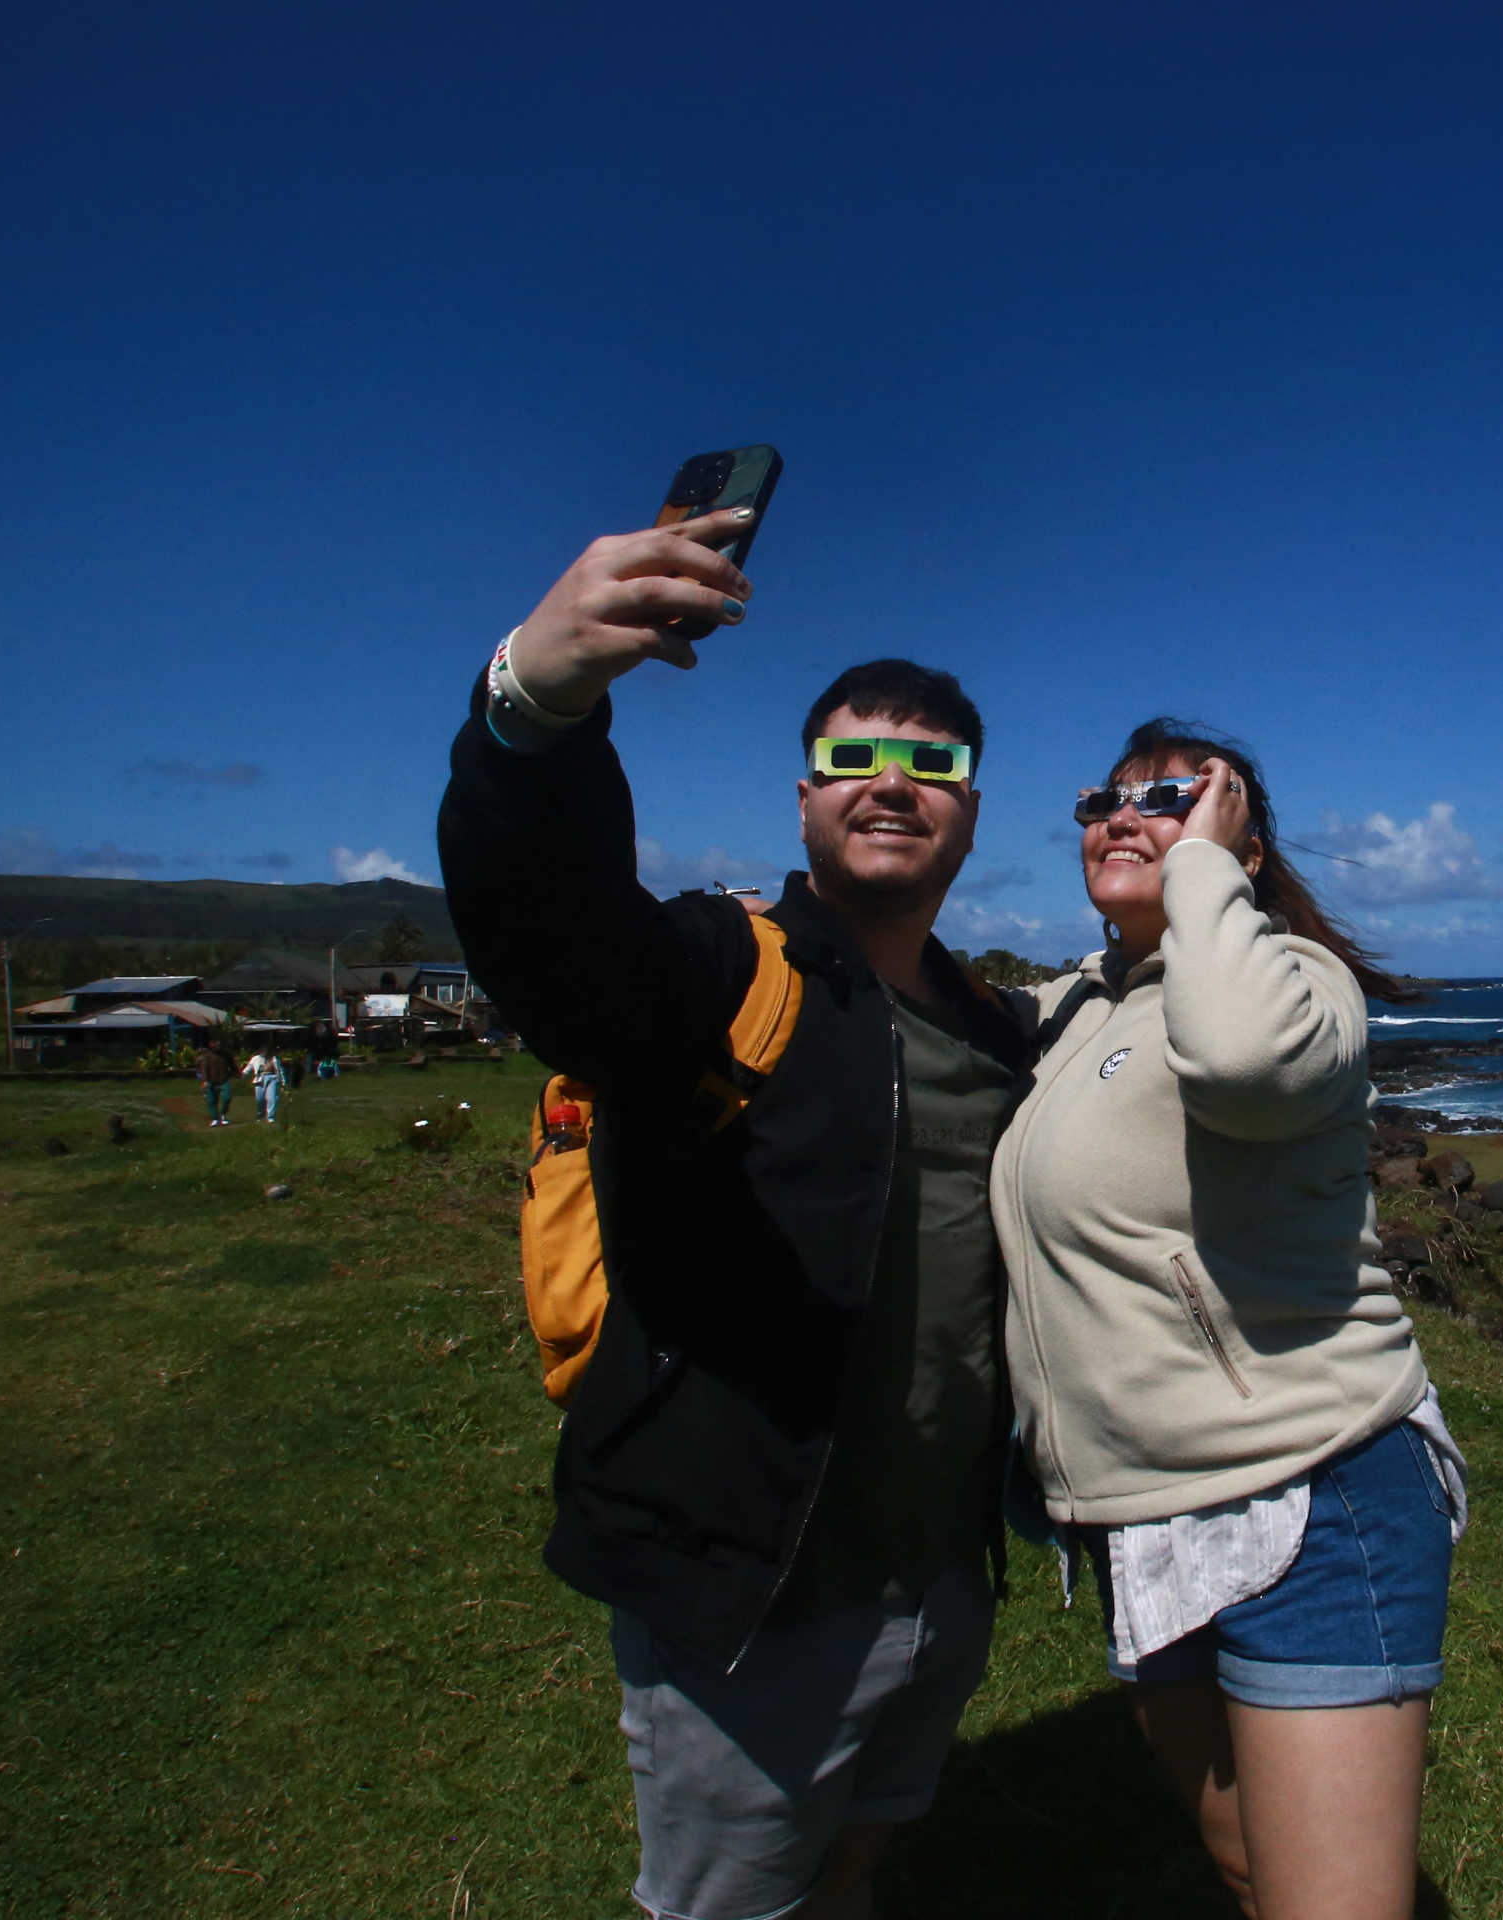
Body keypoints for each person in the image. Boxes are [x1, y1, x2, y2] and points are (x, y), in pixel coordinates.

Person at [436, 506, 1035, 1920]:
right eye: (852, 759)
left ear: (969, 805)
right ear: (805, 796)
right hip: (748, 1573)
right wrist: (536, 705)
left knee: (864, 1852)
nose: (890, 784)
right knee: (722, 1903)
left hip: (943, 1562)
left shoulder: (1000, 1028)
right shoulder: (719, 971)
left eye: (929, 763)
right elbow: (553, 930)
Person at [992, 719, 1463, 1920]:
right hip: (1142, 1514)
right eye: (1101, 795)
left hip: (1309, 1490)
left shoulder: (1299, 982)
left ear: (1239, 843)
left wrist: (1204, 867)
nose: (1119, 813)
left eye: (1168, 796)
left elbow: (1244, 1068)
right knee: (1248, 1868)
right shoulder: (1071, 1013)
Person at [195, 1032, 235, 1126]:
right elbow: (203, 1068)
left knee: (227, 1097)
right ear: (211, 1044)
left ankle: (223, 1115)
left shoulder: (225, 1054)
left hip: (223, 1080)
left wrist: (235, 1073)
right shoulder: (206, 1056)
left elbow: (232, 1065)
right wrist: (204, 1081)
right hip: (211, 1081)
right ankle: (215, 1118)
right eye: (215, 1043)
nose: (218, 1045)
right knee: (211, 1101)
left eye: (219, 1043)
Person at [244, 1041, 286, 1123]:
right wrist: (242, 1074)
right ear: (260, 1051)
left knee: (271, 1098)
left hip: (272, 1078)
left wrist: (283, 1082)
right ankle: (260, 1114)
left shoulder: (274, 1059)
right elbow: (248, 1068)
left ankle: (270, 1116)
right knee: (259, 1099)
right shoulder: (255, 1059)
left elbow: (280, 1070)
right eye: (263, 1050)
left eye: (266, 1050)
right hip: (259, 1079)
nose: (264, 1052)